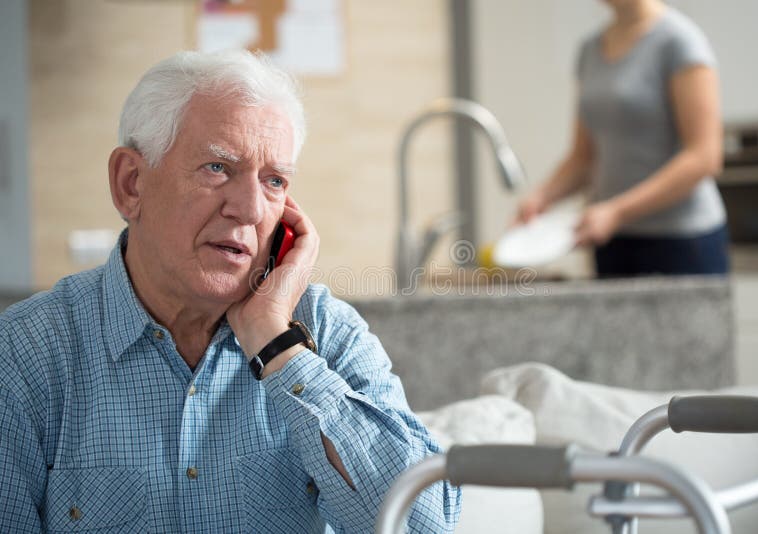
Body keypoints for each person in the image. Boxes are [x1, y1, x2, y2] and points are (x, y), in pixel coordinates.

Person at [0, 50, 460, 532]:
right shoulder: (26, 353)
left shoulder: (325, 331)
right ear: (131, 184)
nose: (249, 209)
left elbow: (424, 524)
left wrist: (277, 344)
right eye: (217, 168)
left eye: (274, 181)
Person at [517, 0, 729, 277]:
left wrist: (617, 211)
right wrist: (542, 196)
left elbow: (704, 157)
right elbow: (583, 157)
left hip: (681, 241)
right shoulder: (590, 50)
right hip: (613, 240)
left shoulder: (680, 41)